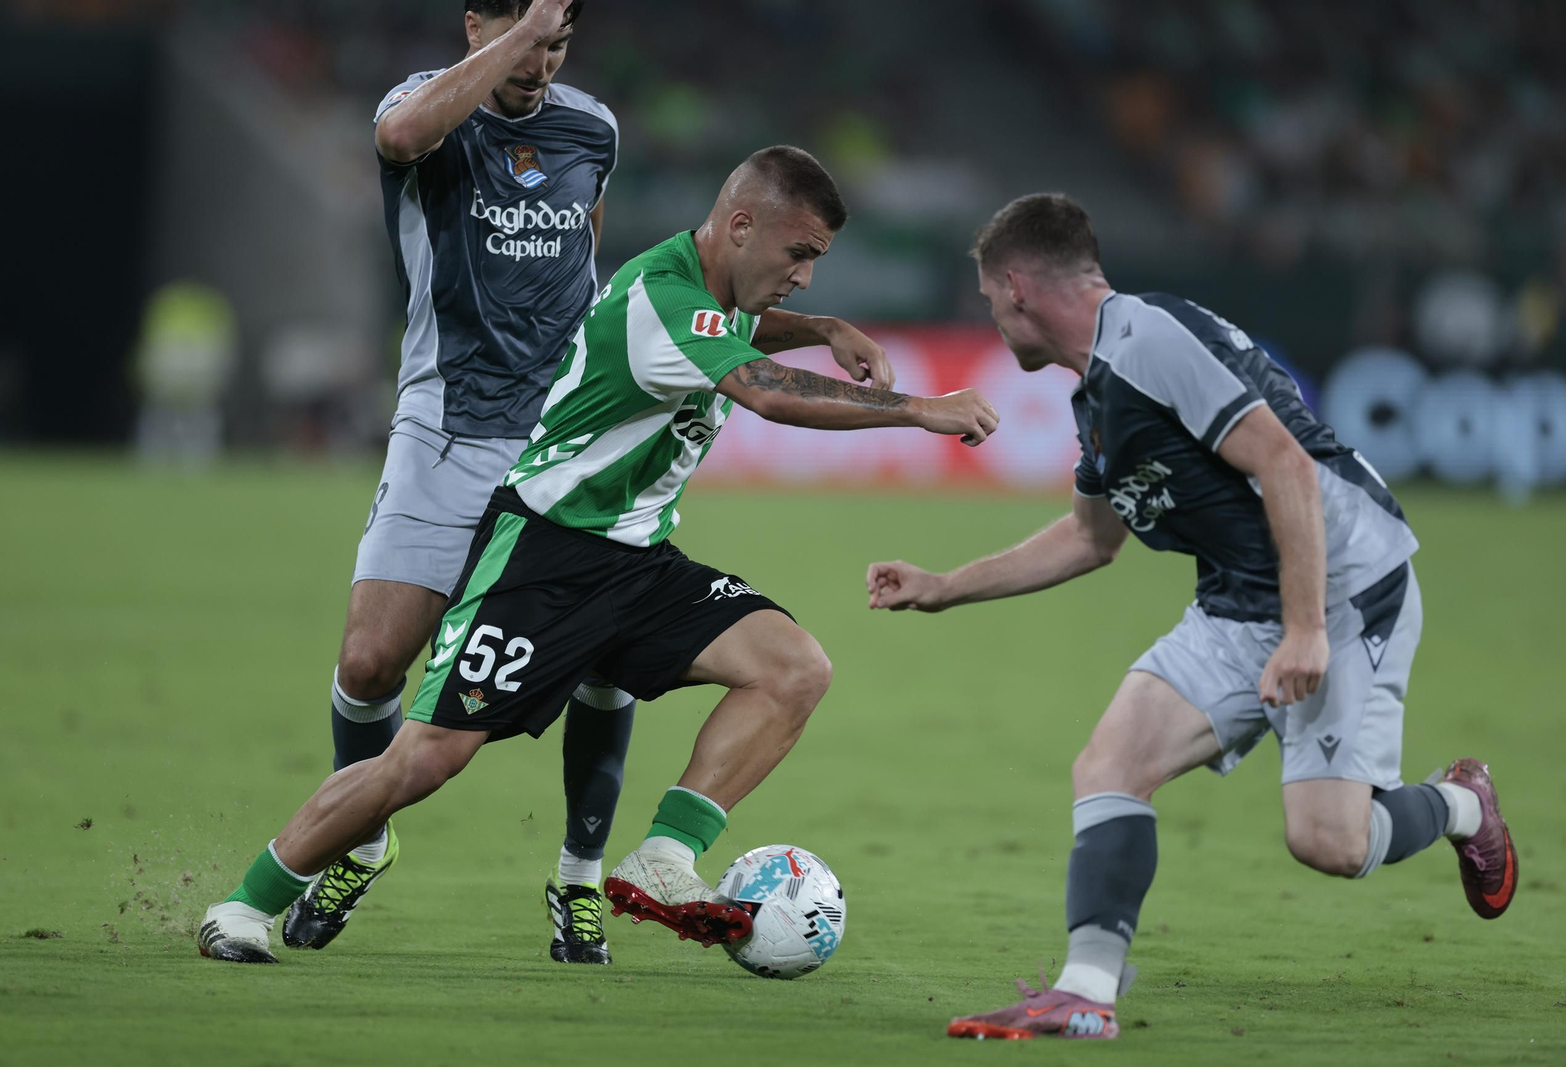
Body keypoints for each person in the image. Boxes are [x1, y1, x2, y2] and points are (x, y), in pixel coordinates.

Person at [196, 144, 1001, 964]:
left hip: (638, 561)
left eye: (815, 261)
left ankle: (665, 855)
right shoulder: (665, 298)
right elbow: (762, 389)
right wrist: (917, 409)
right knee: (427, 759)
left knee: (795, 667)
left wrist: (823, 328)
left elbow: (746, 326)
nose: (804, 275)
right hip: (543, 557)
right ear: (741, 225)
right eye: (799, 254)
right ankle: (246, 904)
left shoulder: (708, 288)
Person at [865, 193, 1518, 1040]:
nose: (990, 317)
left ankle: (1462, 804)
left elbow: (1283, 461)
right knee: (1110, 762)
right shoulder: (1095, 393)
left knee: (1329, 841)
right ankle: (1086, 991)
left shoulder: (1149, 340)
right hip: (1239, 598)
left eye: (990, 299)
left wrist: (1307, 627)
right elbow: (1089, 538)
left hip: (1341, 583)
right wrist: (945, 584)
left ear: (1019, 286)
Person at [294, 0, 637, 965]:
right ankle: (361, 839)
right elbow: (403, 135)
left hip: (563, 438)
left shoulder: (593, 128)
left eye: (560, 45)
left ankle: (579, 876)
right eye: (527, 40)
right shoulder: (421, 109)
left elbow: (583, 249)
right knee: (369, 666)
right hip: (444, 427)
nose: (543, 65)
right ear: (475, 23)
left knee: (605, 659)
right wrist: (521, 34)